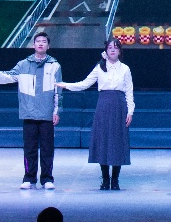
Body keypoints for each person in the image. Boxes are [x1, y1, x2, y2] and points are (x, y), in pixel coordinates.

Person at [0, 31, 62, 190]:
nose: (40, 43)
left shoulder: (55, 65)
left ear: (48, 45)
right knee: (29, 148)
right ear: (33, 45)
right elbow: (6, 78)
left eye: (44, 41)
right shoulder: (23, 65)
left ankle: (47, 178)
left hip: (47, 114)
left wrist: (56, 111)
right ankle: (29, 178)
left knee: (47, 149)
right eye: (38, 41)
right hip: (29, 113)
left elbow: (58, 91)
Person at [56, 36, 135, 190]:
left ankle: (115, 180)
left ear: (120, 51)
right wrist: (66, 85)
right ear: (106, 51)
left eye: (115, 47)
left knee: (117, 141)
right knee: (103, 141)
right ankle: (105, 179)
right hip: (103, 106)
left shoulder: (125, 69)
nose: (112, 50)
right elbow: (84, 84)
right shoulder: (100, 68)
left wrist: (130, 111)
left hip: (119, 106)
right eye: (110, 47)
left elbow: (129, 92)